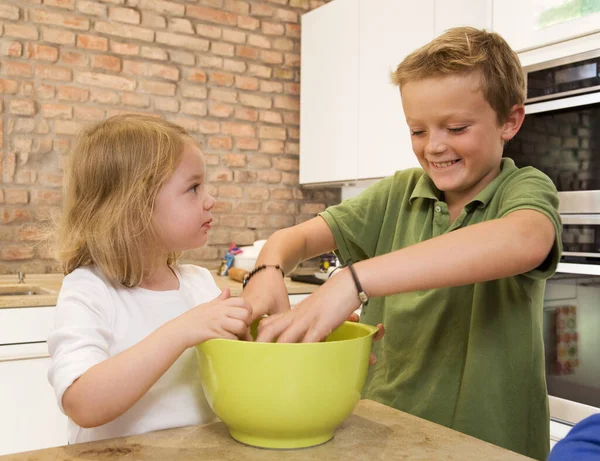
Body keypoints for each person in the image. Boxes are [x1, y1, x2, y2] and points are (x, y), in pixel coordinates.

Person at [242, 27, 562, 461]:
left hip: (488, 445)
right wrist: (267, 269)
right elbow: (292, 239)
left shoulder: (523, 188)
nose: (434, 147)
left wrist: (351, 280)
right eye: (417, 130)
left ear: (510, 121)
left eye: (456, 127)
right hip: (384, 431)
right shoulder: (398, 192)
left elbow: (525, 239)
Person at [47, 115, 255, 444]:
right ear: (135, 207)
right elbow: (82, 403)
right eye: (193, 187)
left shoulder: (200, 284)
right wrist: (182, 331)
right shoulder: (90, 291)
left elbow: (244, 371)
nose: (210, 199)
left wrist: (307, 337)